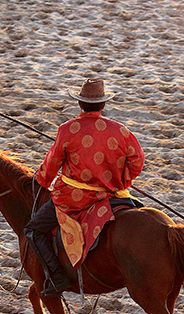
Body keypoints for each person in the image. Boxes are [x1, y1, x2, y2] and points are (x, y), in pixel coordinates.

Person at [25, 78, 146, 297]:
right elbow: (138, 159)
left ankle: (57, 276)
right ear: (103, 105)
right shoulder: (121, 131)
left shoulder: (67, 129)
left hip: (73, 198)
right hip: (111, 196)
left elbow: (51, 164)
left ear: (80, 104)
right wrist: (121, 181)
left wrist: (42, 180)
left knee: (33, 230)